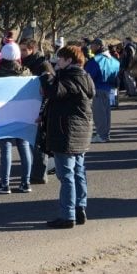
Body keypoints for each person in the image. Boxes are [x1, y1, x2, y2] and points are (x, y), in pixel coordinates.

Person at [39, 45, 95, 229]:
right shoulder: (85, 77)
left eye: (60, 59)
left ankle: (67, 215)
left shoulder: (70, 78)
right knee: (78, 172)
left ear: (69, 60)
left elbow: (54, 91)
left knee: (66, 175)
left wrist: (46, 75)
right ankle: (80, 208)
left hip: (66, 132)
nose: (57, 62)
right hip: (80, 132)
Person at [0, 42, 33, 194]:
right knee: (24, 146)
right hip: (23, 114)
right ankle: (25, 183)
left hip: (3, 115)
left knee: (5, 149)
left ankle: (4, 183)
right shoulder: (26, 72)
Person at [20, 38, 55, 185]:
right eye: (20, 50)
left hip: (42, 107)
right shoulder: (27, 64)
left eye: (24, 50)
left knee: (39, 141)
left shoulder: (42, 65)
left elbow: (49, 88)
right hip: (31, 107)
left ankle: (40, 174)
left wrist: (42, 111)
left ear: (32, 49)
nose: (21, 53)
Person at [84, 38, 119, 143]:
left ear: (99, 46)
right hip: (108, 88)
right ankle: (105, 134)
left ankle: (101, 135)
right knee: (106, 113)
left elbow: (87, 76)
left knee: (99, 114)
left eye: (93, 45)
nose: (91, 47)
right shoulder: (114, 61)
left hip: (97, 88)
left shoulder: (95, 60)